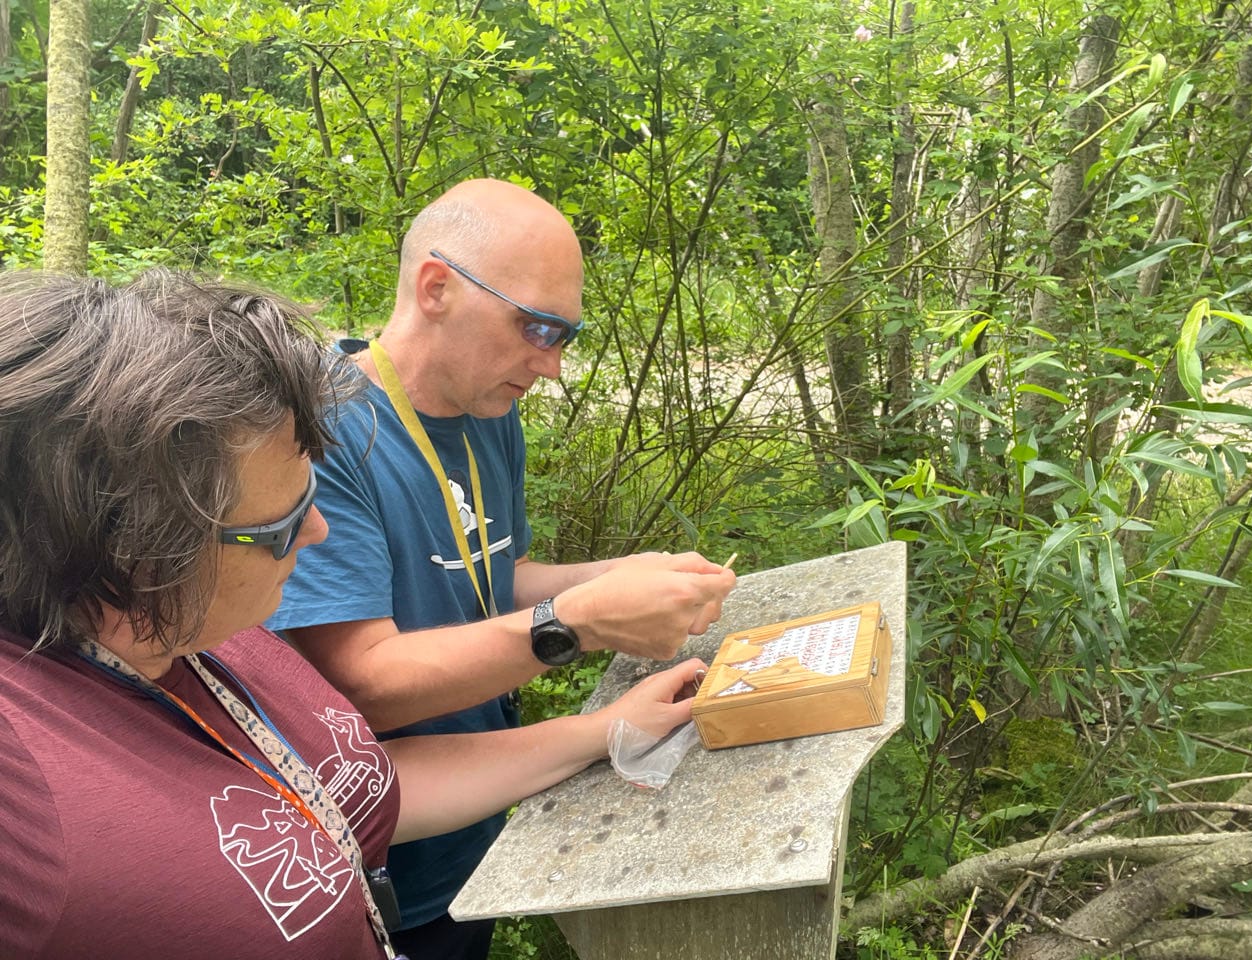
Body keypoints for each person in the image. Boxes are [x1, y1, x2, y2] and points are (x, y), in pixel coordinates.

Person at [0, 270, 707, 960]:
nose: (318, 534)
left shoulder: (215, 638)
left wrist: (606, 730)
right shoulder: (28, 789)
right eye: (280, 526)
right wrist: (569, 623)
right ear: (131, 544)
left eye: (309, 497)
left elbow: (365, 786)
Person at [267, 178, 737, 957]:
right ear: (436, 288)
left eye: (565, 336)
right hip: (370, 871)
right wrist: (577, 624)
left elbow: (492, 577)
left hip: (476, 823)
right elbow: (363, 685)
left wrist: (624, 574)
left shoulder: (488, 409)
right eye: (535, 327)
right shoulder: (322, 430)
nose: (550, 365)